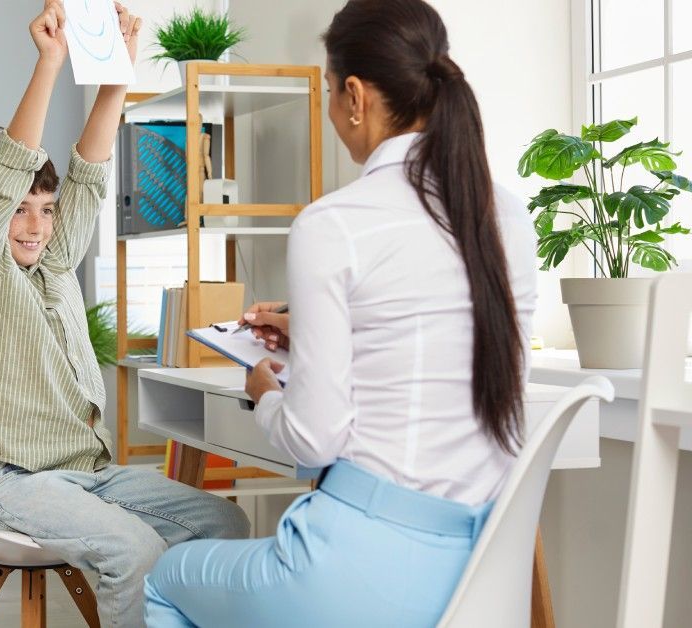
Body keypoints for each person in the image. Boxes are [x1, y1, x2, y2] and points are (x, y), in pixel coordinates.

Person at [143, 0, 538, 625]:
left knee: (165, 583)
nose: (330, 111)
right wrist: (314, 332)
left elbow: (315, 437)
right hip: (479, 573)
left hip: (358, 575)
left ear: (355, 96)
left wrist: (264, 392)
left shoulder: (336, 224)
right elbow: (434, 338)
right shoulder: (508, 217)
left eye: (328, 91)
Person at [0, 3, 250, 625]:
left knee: (226, 521)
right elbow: (9, 175)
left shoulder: (52, 263)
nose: (35, 226)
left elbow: (90, 174)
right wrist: (51, 61)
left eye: (45, 210)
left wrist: (117, 77)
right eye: (20, 209)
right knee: (132, 551)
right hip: (16, 480)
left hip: (90, 471)